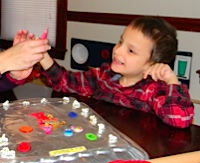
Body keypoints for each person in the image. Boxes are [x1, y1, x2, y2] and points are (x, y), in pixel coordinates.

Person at [37, 16, 194, 128]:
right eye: (120, 41)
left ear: (153, 64)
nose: (118, 50)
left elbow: (180, 119)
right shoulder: (104, 76)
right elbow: (66, 82)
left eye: (131, 50)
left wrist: (172, 80)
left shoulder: (155, 90)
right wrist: (42, 56)